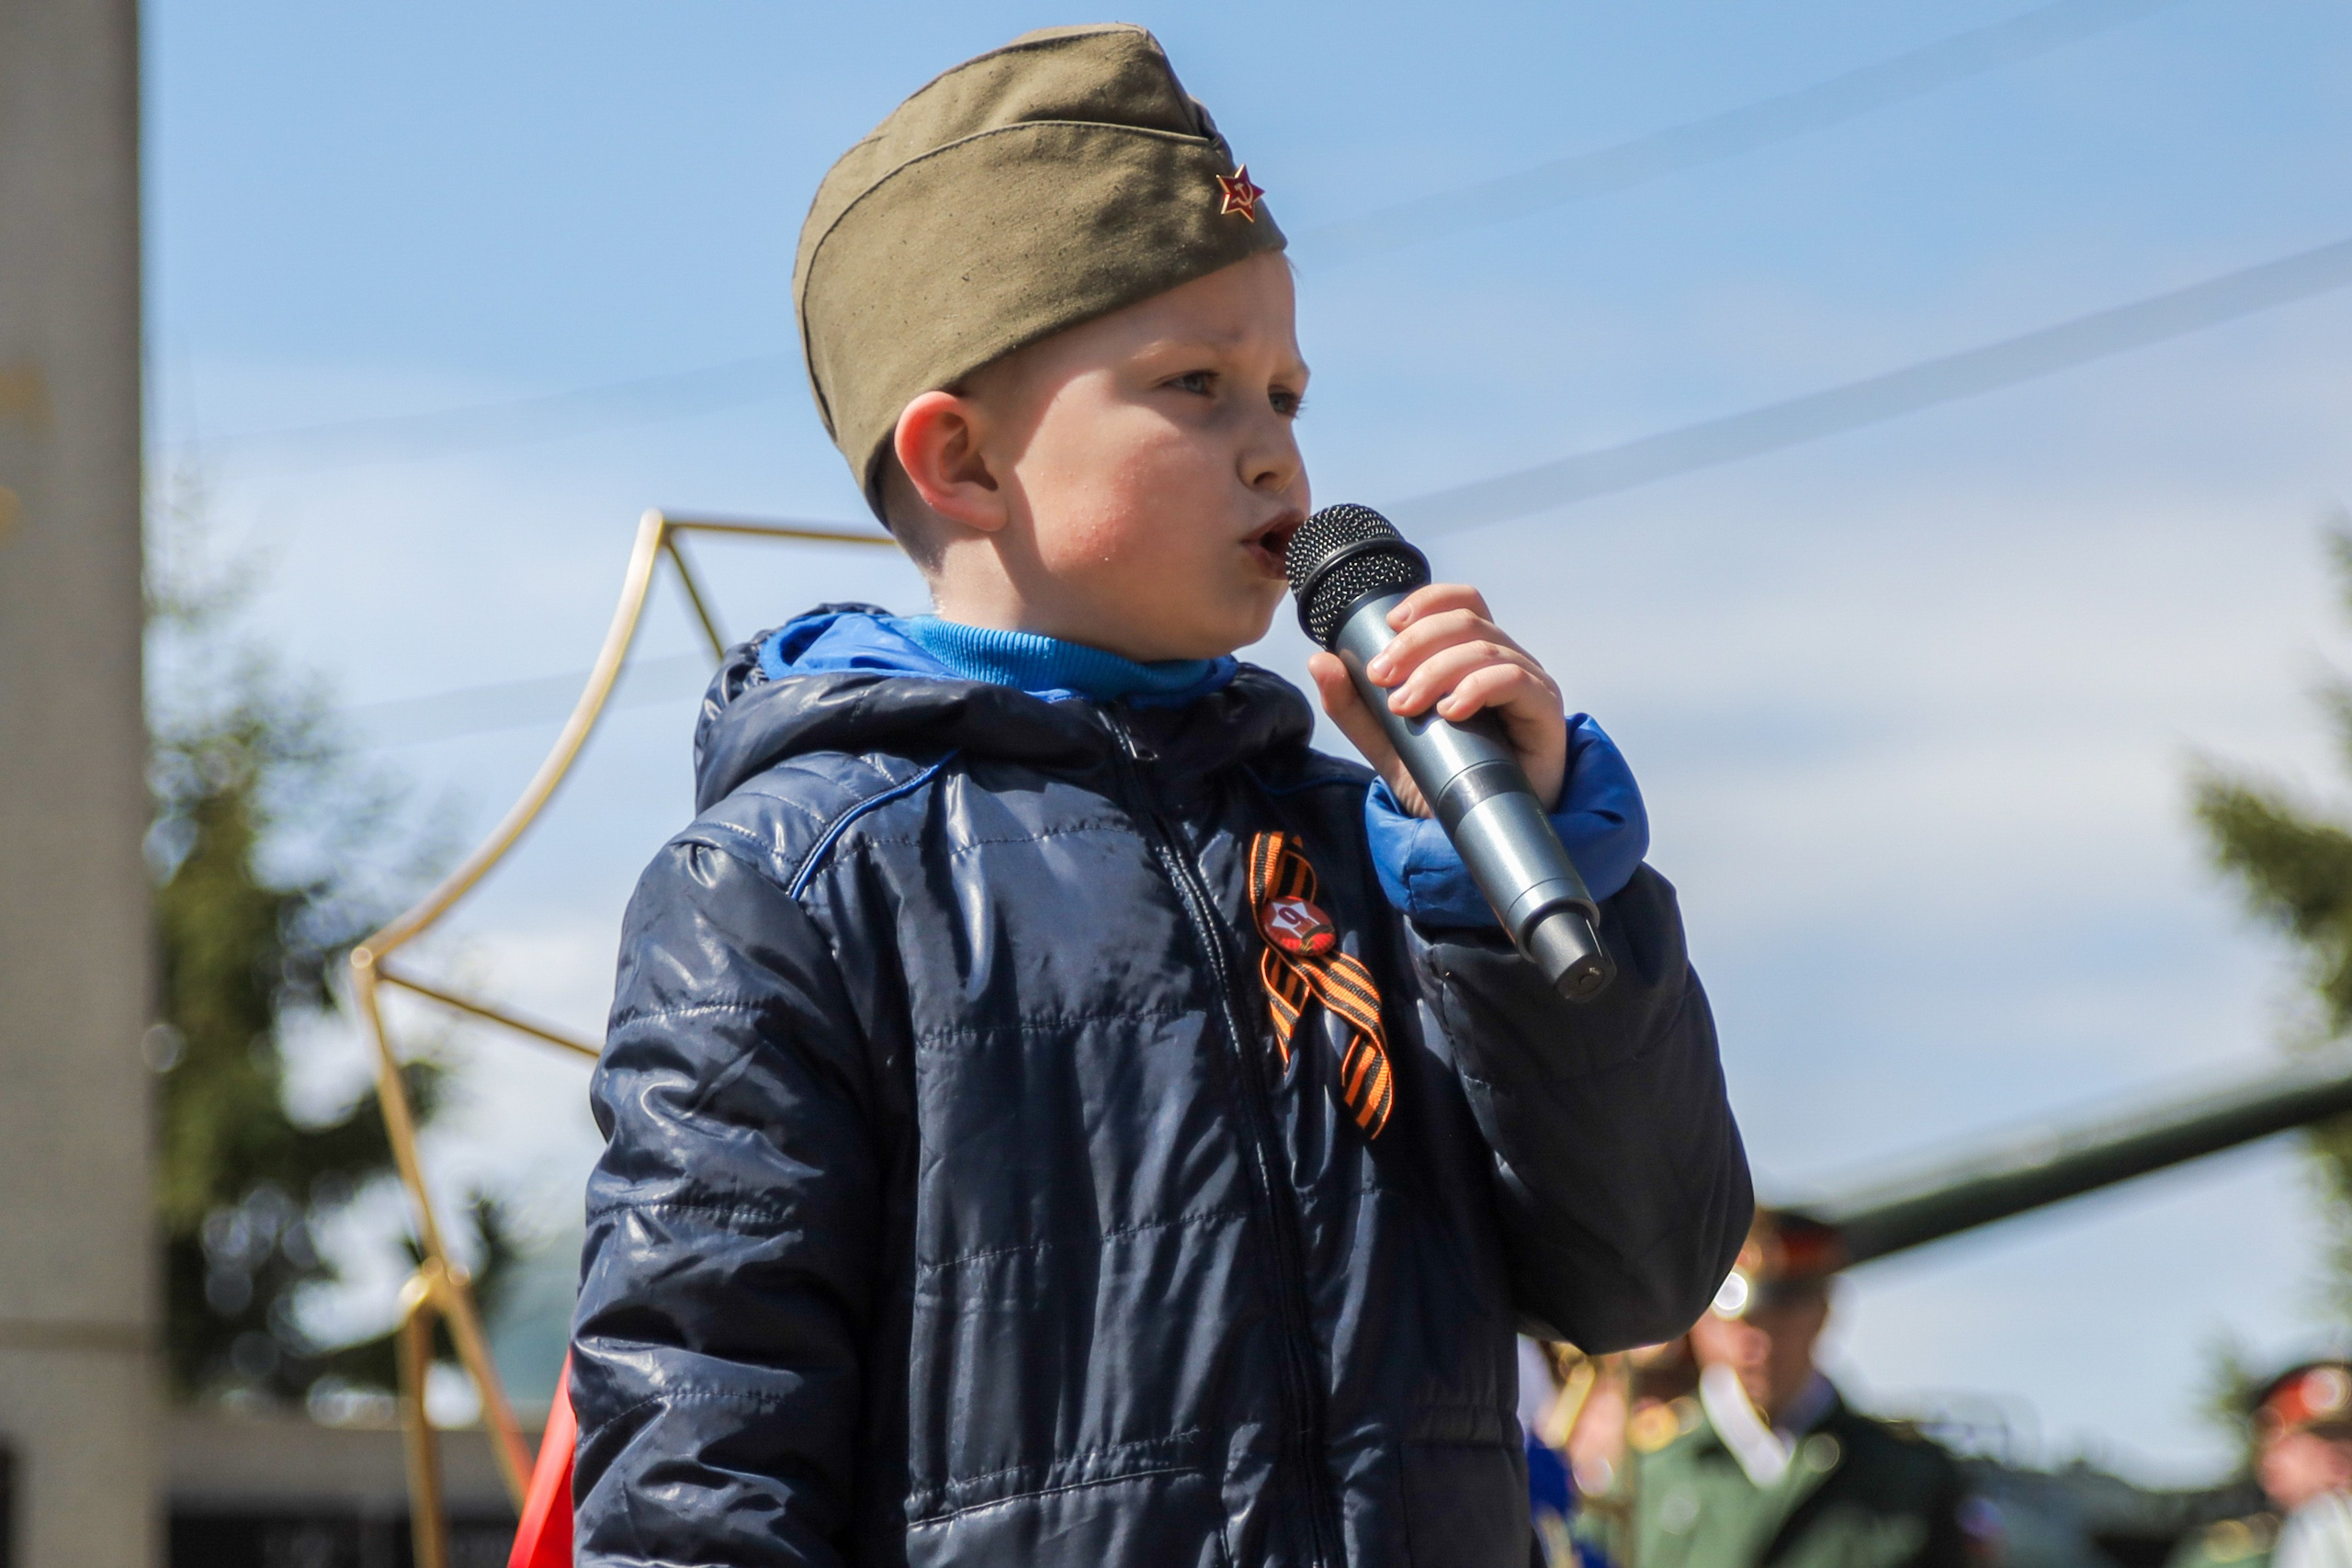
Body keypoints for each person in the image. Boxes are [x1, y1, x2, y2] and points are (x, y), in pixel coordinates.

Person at [566, 25, 1752, 1568]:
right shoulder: (796, 879)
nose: (1278, 456)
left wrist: (1511, 876)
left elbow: (1640, 1271)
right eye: (1195, 386)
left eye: (1285, 388)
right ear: (961, 462)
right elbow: (704, 1439)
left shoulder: (1371, 848)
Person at [1579, 1212, 1968, 1568]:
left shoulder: (1908, 1480)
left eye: (1782, 1314)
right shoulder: (1644, 1479)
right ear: (1700, 1321)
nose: (1758, 1342)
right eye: (1741, 1318)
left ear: (1823, 1312)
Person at [2171, 1362, 2352, 1568]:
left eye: (2348, 1441)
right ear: (2274, 1465)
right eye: (2325, 1447)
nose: (2343, 1463)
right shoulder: (2228, 1559)